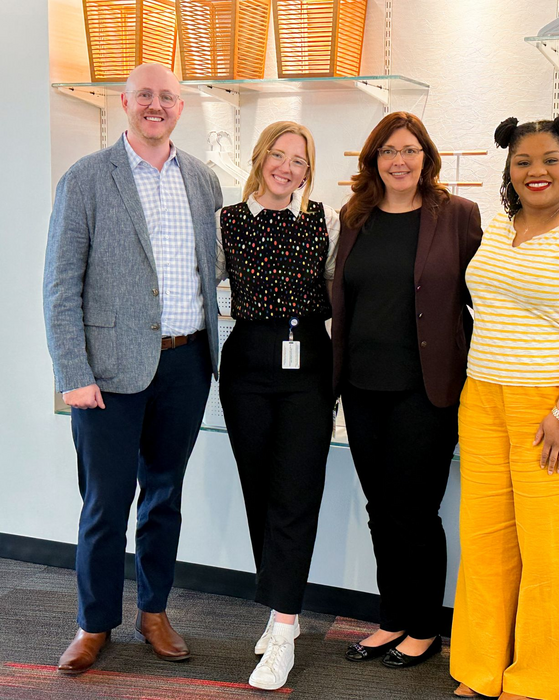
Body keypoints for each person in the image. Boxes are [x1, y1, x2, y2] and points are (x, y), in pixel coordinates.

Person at [43, 63, 223, 675]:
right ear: (125, 102)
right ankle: (94, 623)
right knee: (105, 504)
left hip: (186, 364)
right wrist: (73, 371)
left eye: (167, 97)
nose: (156, 105)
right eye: (145, 94)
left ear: (181, 107)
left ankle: (154, 613)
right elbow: (60, 284)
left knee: (164, 498)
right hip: (106, 375)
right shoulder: (87, 178)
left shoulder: (202, 180)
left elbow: (211, 269)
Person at [450, 111, 559, 700]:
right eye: (523, 161)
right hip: (484, 399)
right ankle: (482, 668)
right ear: (509, 170)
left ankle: (546, 680)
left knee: (556, 552)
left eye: (550, 159)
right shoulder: (499, 226)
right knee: (487, 542)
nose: (537, 171)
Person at [331, 112, 482, 669]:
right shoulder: (355, 216)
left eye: (410, 150)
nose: (399, 161)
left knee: (416, 512)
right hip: (362, 387)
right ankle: (391, 619)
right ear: (374, 160)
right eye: (389, 151)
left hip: (426, 390)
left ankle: (424, 628)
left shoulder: (458, 215)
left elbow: (483, 298)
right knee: (380, 509)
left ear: (426, 157)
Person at [218, 121, 339, 691]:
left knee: (296, 493)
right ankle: (279, 608)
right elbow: (202, 284)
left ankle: (285, 628)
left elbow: (340, 289)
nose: (287, 168)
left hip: (308, 363)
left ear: (308, 172)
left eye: (300, 161)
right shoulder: (226, 220)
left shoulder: (325, 220)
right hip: (246, 363)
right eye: (280, 155)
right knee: (260, 493)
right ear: (260, 157)